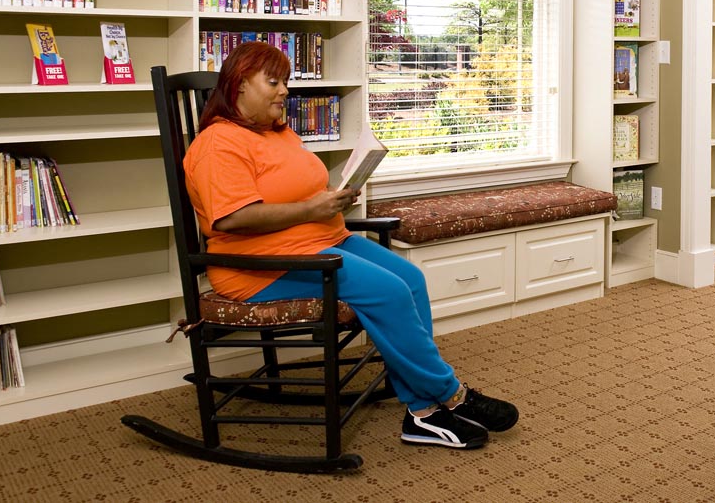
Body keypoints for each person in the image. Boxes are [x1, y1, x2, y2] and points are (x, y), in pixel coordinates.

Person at [182, 41, 517, 450]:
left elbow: (292, 193)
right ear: (237, 86)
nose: (284, 90)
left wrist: (334, 199)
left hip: (319, 240)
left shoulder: (277, 133)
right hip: (258, 265)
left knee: (409, 277)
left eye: (285, 81)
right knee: (388, 291)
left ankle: (421, 413)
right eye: (273, 81)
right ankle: (449, 395)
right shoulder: (218, 144)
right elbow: (232, 218)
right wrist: (311, 208)